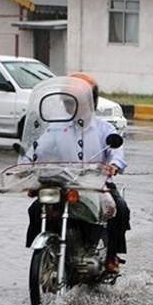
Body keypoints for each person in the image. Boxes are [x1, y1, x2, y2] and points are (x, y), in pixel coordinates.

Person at [24, 72, 130, 274]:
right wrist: (26, 163)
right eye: (67, 102)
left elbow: (117, 152)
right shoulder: (56, 129)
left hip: (95, 185)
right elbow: (37, 149)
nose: (69, 107)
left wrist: (114, 165)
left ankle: (111, 256)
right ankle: (45, 251)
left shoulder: (104, 129)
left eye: (74, 102)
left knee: (121, 209)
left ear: (90, 102)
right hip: (63, 183)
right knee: (36, 209)